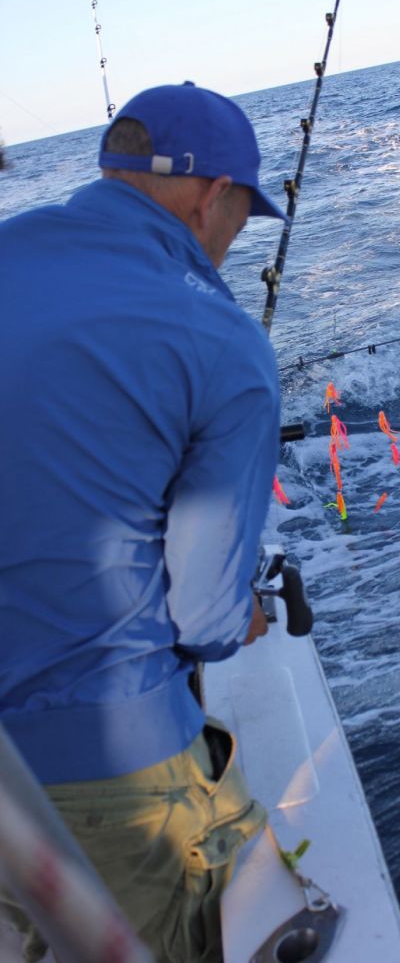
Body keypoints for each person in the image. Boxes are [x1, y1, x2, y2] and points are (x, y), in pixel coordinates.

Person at [0, 82, 286, 962]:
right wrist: (242, 610)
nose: (237, 237)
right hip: (106, 778)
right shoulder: (226, 345)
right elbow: (203, 618)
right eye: (243, 209)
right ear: (211, 196)